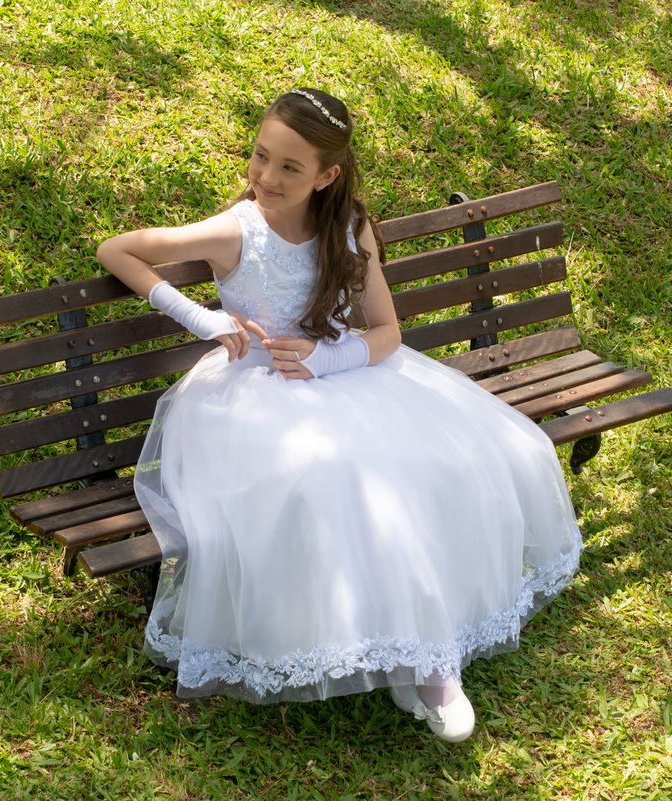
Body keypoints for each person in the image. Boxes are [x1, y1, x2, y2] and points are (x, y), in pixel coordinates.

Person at [95, 88, 582, 743]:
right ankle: (388, 644)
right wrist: (202, 316)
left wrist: (330, 359)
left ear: (326, 175)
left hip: (345, 377)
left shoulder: (348, 228)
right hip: (251, 400)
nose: (266, 177)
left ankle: (427, 659)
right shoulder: (237, 228)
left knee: (444, 457)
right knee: (332, 469)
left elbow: (386, 332)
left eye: (289, 167)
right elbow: (118, 249)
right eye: (260, 156)